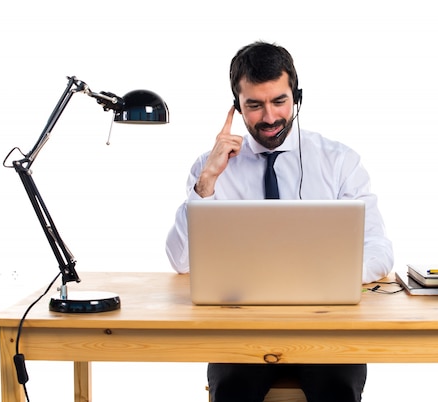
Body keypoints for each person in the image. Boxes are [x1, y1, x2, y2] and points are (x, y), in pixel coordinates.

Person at [165, 41, 394, 402]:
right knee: (231, 390)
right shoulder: (211, 167)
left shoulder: (338, 161)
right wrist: (207, 181)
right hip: (241, 328)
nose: (269, 117)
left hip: (325, 328)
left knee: (338, 388)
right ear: (237, 106)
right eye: (254, 105)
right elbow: (180, 262)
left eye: (279, 101)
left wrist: (338, 276)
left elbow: (379, 248)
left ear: (296, 97)